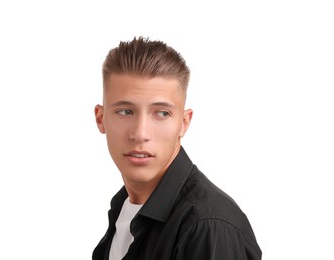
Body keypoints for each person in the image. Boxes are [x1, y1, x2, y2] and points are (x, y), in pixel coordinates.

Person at [92, 37, 262, 260]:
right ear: (100, 118)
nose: (141, 133)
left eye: (162, 113)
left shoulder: (207, 226)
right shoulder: (124, 208)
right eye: (125, 111)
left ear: (184, 123)